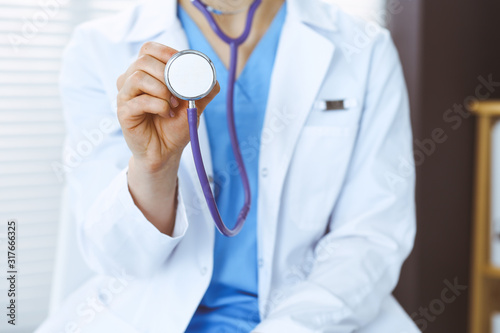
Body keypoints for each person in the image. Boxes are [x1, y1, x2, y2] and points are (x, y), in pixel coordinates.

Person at [43, 0, 417, 331]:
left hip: (313, 318)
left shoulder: (364, 49)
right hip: (147, 314)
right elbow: (120, 257)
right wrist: (152, 166)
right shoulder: (99, 47)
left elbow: (371, 237)